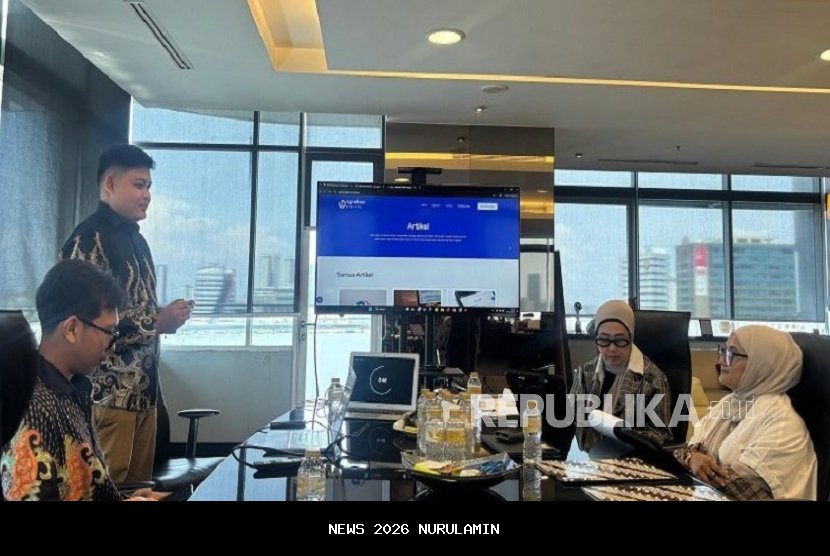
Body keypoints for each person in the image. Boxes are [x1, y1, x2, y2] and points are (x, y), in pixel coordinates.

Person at [60, 144, 192, 483]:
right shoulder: (89, 240)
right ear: (109, 184)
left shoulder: (137, 241)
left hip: (142, 395)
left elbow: (134, 311)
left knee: (139, 492)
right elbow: (82, 325)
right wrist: (156, 322)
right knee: (104, 490)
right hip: (106, 397)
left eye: (149, 186)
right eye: (138, 185)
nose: (147, 195)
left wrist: (164, 316)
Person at [1, 260, 163, 500]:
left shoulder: (72, 389)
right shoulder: (35, 406)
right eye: (109, 332)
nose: (113, 345)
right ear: (72, 329)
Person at [674, 325, 817, 500]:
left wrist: (692, 459)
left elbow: (744, 489)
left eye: (732, 353)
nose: (721, 361)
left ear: (763, 363)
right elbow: (691, 449)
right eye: (723, 350)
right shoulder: (732, 402)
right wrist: (691, 458)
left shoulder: (782, 422)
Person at [570, 299, 672, 450]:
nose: (612, 348)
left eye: (619, 340)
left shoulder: (653, 379)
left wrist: (625, 435)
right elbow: (573, 422)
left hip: (632, 459)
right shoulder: (585, 373)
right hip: (589, 458)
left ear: (631, 338)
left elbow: (661, 435)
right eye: (604, 340)